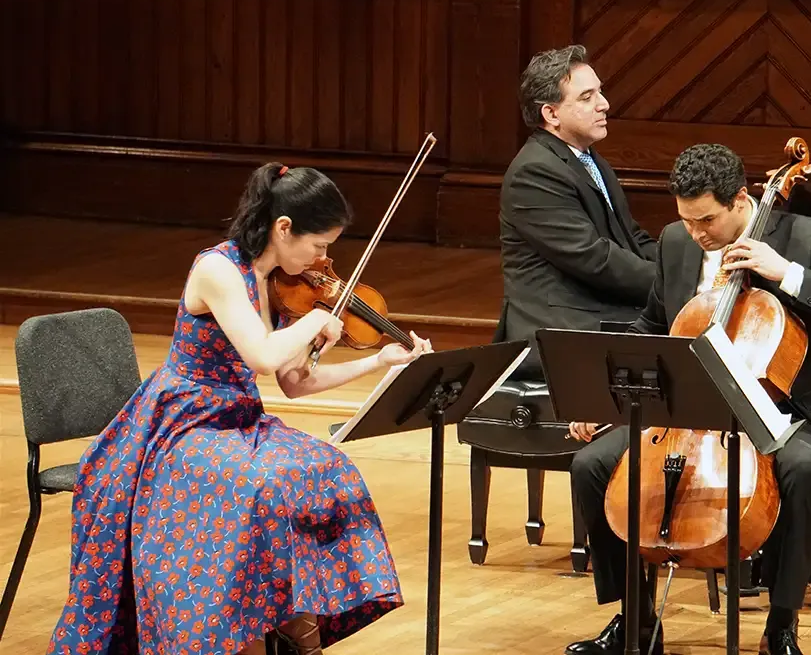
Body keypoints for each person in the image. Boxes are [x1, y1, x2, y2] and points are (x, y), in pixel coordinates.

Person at [46, 163, 433, 655]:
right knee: (260, 488)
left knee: (327, 468)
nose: (325, 260)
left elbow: (296, 382)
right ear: (284, 227)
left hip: (238, 422)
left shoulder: (273, 282)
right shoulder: (218, 270)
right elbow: (263, 356)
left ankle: (299, 629)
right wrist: (315, 318)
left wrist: (381, 359)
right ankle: (240, 637)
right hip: (180, 425)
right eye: (319, 245)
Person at [565, 143, 811, 655]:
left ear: (740, 199)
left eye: (706, 221)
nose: (696, 234)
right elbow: (653, 325)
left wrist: (786, 273)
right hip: (685, 416)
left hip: (781, 412)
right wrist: (607, 397)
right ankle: (637, 621)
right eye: (687, 221)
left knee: (801, 471)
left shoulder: (804, 236)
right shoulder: (675, 242)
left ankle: (781, 626)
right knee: (590, 466)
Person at [497, 44, 658, 380]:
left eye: (600, 92)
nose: (604, 104)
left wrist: (691, 263)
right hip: (560, 327)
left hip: (595, 308)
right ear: (551, 114)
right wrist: (676, 286)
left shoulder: (588, 159)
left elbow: (631, 238)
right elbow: (595, 259)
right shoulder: (534, 173)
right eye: (587, 97)